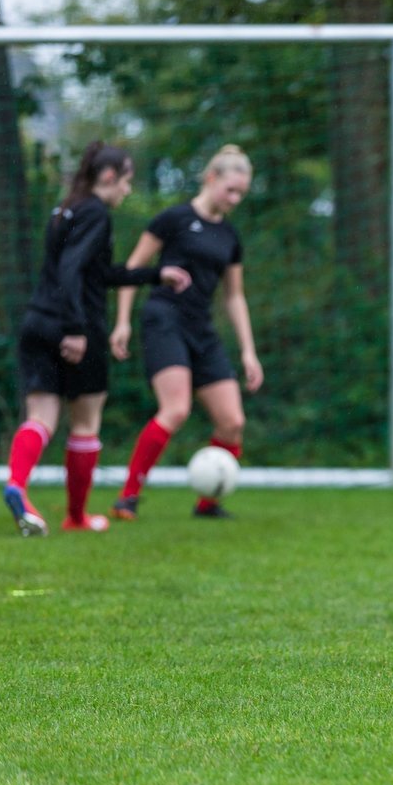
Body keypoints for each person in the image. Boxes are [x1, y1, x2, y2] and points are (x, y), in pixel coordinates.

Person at [2, 141, 192, 536]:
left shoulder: (64, 209)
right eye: (126, 181)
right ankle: (76, 517)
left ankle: (17, 485)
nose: (127, 190)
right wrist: (74, 329)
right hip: (77, 328)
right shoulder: (95, 213)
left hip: (37, 322)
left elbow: (97, 274)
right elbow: (72, 271)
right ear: (108, 176)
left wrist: (157, 274)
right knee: (86, 424)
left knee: (40, 419)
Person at [109, 144, 263, 520]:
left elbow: (234, 296)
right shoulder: (173, 219)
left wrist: (248, 350)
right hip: (165, 318)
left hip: (201, 327)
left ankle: (208, 503)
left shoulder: (230, 237)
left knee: (233, 422)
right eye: (231, 189)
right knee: (176, 409)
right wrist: (123, 320)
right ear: (211, 178)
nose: (235, 199)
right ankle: (128, 496)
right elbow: (132, 269)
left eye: (242, 193)